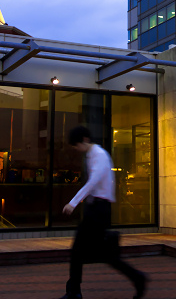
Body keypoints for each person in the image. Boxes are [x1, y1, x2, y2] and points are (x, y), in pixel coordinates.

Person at [59, 126, 148, 299]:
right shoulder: (91, 156)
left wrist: (73, 203)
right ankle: (138, 278)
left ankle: (74, 292)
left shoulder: (99, 155)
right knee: (106, 255)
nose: (76, 149)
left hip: (99, 210)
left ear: (85, 140)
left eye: (76, 145)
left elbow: (93, 182)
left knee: (79, 250)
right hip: (96, 208)